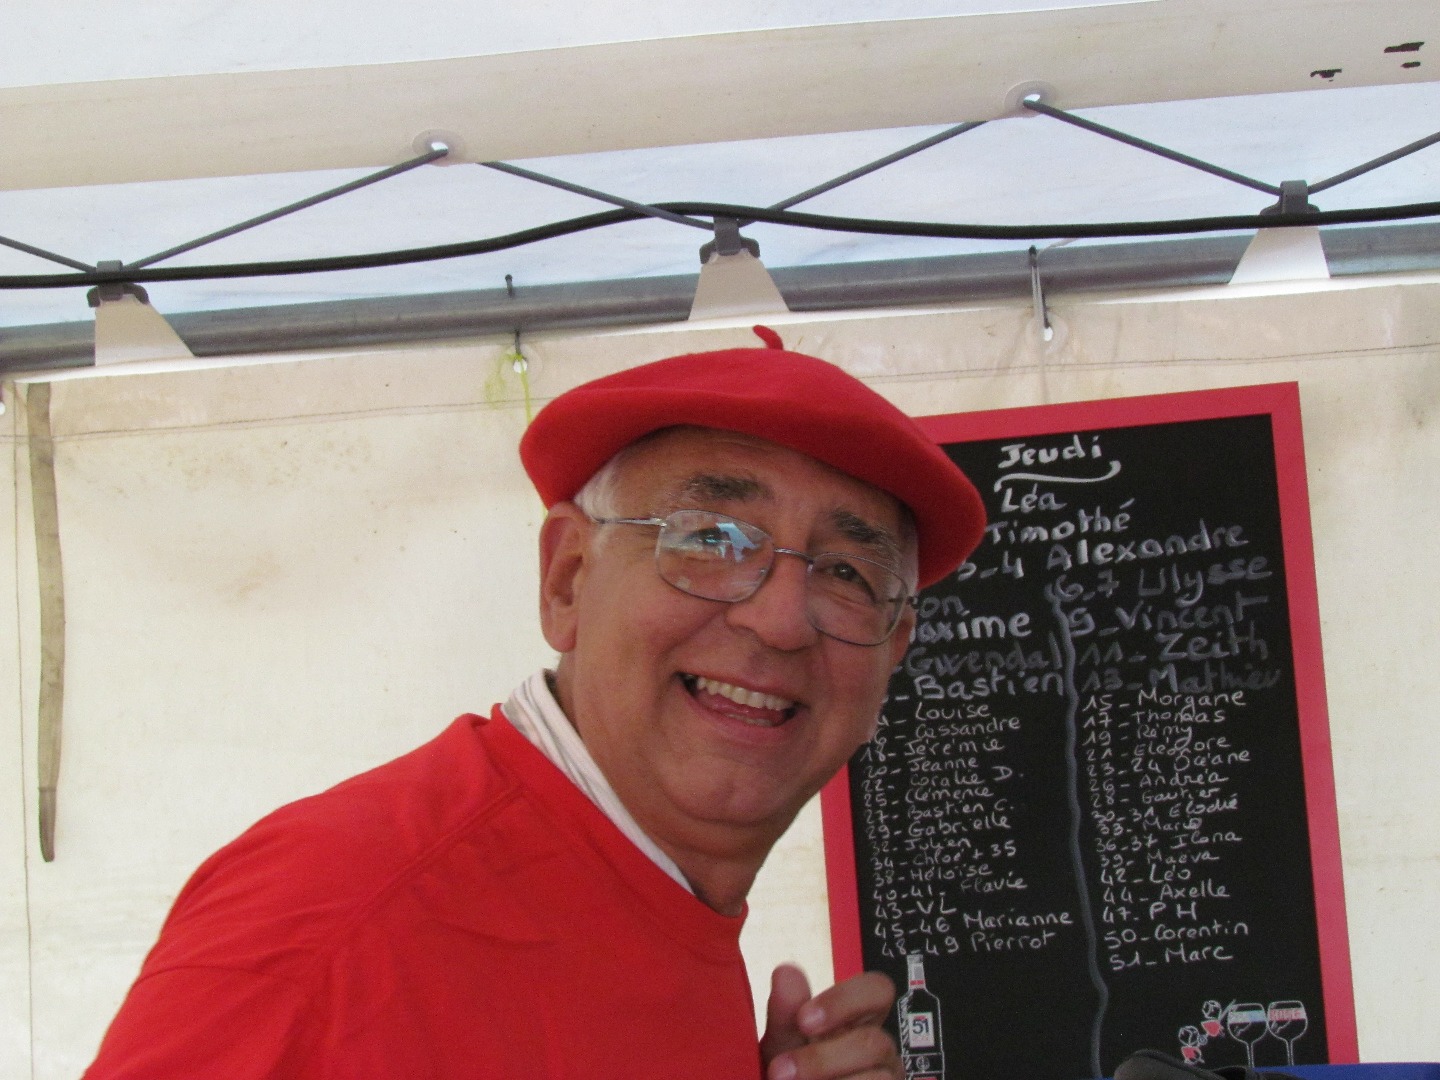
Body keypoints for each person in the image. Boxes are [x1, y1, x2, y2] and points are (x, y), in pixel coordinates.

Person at [83, 326, 986, 1080]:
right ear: (567, 578)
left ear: (894, 649)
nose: (782, 619)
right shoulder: (337, 915)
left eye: (847, 573)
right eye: (712, 538)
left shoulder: (657, 897)